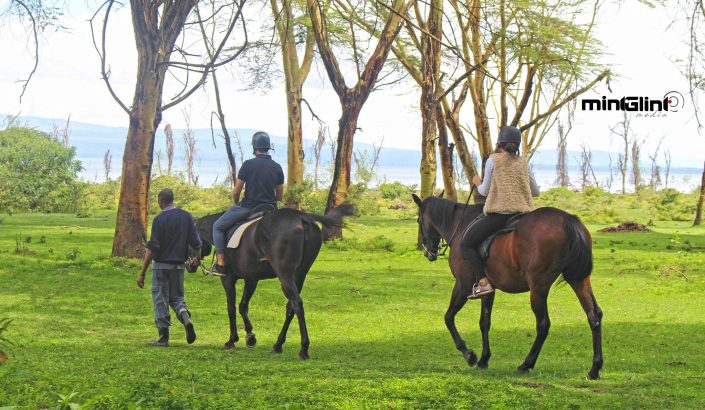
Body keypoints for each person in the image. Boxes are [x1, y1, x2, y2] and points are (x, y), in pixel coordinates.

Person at [460, 126, 540, 299]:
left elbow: (484, 191)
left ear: (500, 144)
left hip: (500, 215)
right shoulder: (524, 162)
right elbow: (536, 192)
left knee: (466, 243)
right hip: (524, 214)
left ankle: (483, 282)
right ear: (517, 145)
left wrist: (477, 181)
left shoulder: (493, 160)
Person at [209, 131, 285, 275]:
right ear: (268, 147)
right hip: (269, 209)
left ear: (254, 148)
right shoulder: (277, 167)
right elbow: (280, 196)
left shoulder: (248, 165)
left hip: (249, 207)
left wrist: (236, 203)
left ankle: (220, 262)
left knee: (217, 226)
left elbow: (236, 192)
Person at [137, 188, 202, 347]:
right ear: (172, 199)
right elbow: (197, 243)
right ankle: (185, 316)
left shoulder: (159, 220)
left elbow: (153, 247)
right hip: (179, 266)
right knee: (176, 298)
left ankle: (163, 337)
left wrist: (142, 272)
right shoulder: (186, 217)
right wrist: (197, 259)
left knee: (160, 299)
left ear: (160, 200)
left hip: (161, 266)